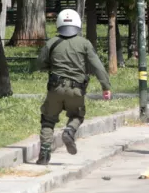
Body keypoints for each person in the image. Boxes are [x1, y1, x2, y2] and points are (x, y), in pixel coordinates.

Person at [35, 9, 112, 165]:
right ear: (77, 24)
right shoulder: (84, 43)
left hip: (55, 89)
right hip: (76, 90)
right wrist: (106, 87)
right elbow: (98, 67)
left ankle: (44, 154)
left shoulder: (52, 43)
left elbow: (39, 63)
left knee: (48, 120)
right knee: (77, 115)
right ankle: (70, 131)